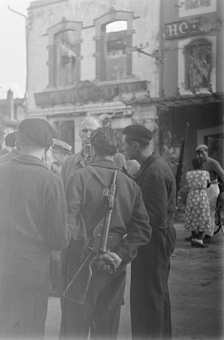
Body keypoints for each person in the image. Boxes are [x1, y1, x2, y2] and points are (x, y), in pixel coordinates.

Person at [59, 127, 151, 340]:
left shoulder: (79, 178)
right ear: (117, 149)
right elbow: (143, 229)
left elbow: (69, 222)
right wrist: (120, 254)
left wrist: (86, 251)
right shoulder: (131, 185)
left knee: (74, 329)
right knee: (107, 331)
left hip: (79, 267)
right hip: (113, 267)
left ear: (92, 149)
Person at [0, 118, 70, 339]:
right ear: (49, 148)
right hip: (32, 271)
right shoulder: (50, 180)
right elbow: (58, 239)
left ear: (18, 142)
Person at [122, 124, 176, 340]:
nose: (124, 150)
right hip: (157, 236)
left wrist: (130, 234)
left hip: (153, 239)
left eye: (125, 145)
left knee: (149, 298)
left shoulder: (154, 171)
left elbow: (153, 216)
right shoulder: (154, 165)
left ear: (135, 145)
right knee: (157, 294)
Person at [61, 116, 101, 191]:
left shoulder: (108, 161)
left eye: (92, 131)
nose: (88, 135)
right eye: (85, 131)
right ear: (79, 134)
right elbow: (63, 191)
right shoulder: (68, 162)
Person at [196, 144, 224, 243]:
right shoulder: (200, 163)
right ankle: (197, 234)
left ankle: (209, 234)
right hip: (203, 189)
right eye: (198, 153)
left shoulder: (213, 163)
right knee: (201, 212)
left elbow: (222, 175)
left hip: (212, 188)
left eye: (202, 153)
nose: (200, 155)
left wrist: (223, 192)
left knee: (210, 212)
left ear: (207, 152)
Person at [184, 158, 211, 248]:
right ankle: (199, 238)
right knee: (202, 215)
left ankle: (194, 238)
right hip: (202, 195)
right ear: (201, 165)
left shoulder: (189, 174)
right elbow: (208, 184)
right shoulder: (206, 173)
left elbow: (187, 184)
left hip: (192, 195)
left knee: (192, 215)